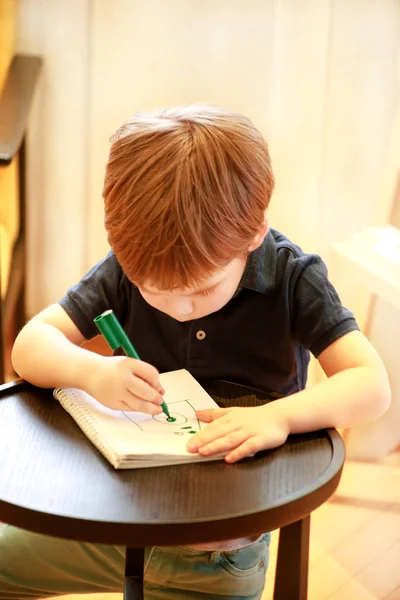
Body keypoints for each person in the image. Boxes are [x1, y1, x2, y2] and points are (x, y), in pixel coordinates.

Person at [4, 104, 390, 600]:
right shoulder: (130, 262)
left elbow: (371, 384)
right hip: (116, 517)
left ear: (253, 236)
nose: (180, 307)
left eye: (202, 290)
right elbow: (30, 346)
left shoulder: (292, 278)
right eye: (153, 290)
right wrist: (93, 372)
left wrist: (279, 417)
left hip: (219, 554)